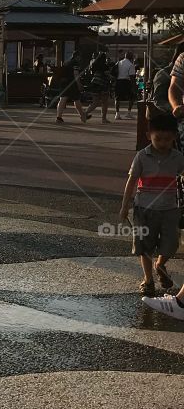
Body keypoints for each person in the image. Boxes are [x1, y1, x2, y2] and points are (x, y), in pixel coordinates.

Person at [121, 109, 184, 298]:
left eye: (167, 139)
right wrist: (125, 207)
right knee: (144, 246)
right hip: (144, 209)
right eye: (158, 139)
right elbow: (131, 181)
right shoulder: (141, 156)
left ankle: (160, 264)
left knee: (171, 244)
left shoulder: (178, 158)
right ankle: (148, 280)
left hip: (170, 209)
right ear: (149, 136)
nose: (163, 143)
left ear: (174, 137)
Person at [83, 48, 116, 124]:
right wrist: (113, 77)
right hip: (103, 84)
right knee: (104, 102)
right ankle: (103, 119)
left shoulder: (94, 65)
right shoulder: (104, 66)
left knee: (95, 102)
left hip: (94, 84)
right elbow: (108, 75)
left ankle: (85, 113)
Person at [53, 54, 87, 124]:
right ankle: (82, 116)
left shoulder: (67, 62)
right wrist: (79, 84)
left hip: (64, 83)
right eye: (79, 57)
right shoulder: (75, 63)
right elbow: (76, 74)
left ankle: (58, 117)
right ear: (77, 57)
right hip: (72, 83)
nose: (80, 59)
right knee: (77, 100)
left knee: (62, 99)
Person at [114, 51, 138, 120]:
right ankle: (129, 112)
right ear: (131, 57)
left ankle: (117, 114)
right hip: (127, 82)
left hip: (118, 81)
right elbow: (132, 77)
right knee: (132, 97)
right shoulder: (131, 65)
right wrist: (134, 87)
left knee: (117, 98)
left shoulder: (119, 62)